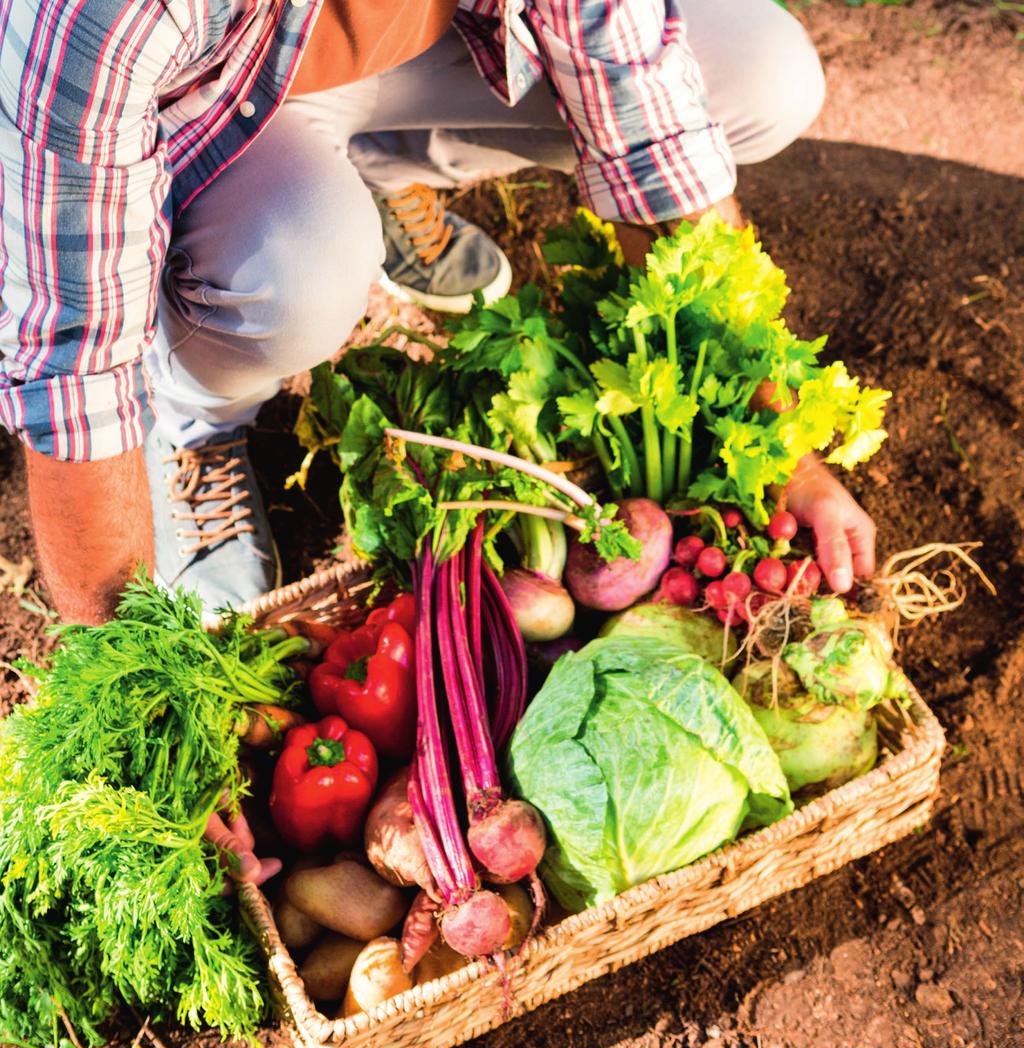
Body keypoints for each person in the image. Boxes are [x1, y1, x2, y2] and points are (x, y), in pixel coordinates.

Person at [1, 0, 874, 636]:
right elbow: (75, 368)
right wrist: (130, 675)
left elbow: (648, 115)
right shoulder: (100, 16)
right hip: (198, 99)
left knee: (761, 73)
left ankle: (372, 178)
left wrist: (774, 444)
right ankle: (194, 417)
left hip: (403, 49)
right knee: (296, 271)